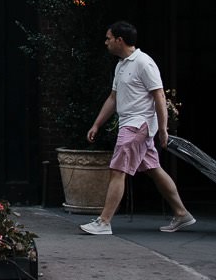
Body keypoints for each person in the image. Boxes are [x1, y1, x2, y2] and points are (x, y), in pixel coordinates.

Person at [79, 20, 195, 236]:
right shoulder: (121, 65)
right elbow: (113, 98)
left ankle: (104, 222)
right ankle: (182, 213)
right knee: (154, 169)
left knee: (117, 170)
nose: (106, 42)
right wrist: (97, 124)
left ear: (119, 40)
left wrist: (163, 129)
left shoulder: (144, 63)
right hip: (131, 124)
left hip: (137, 126)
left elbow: (159, 96)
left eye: (108, 38)